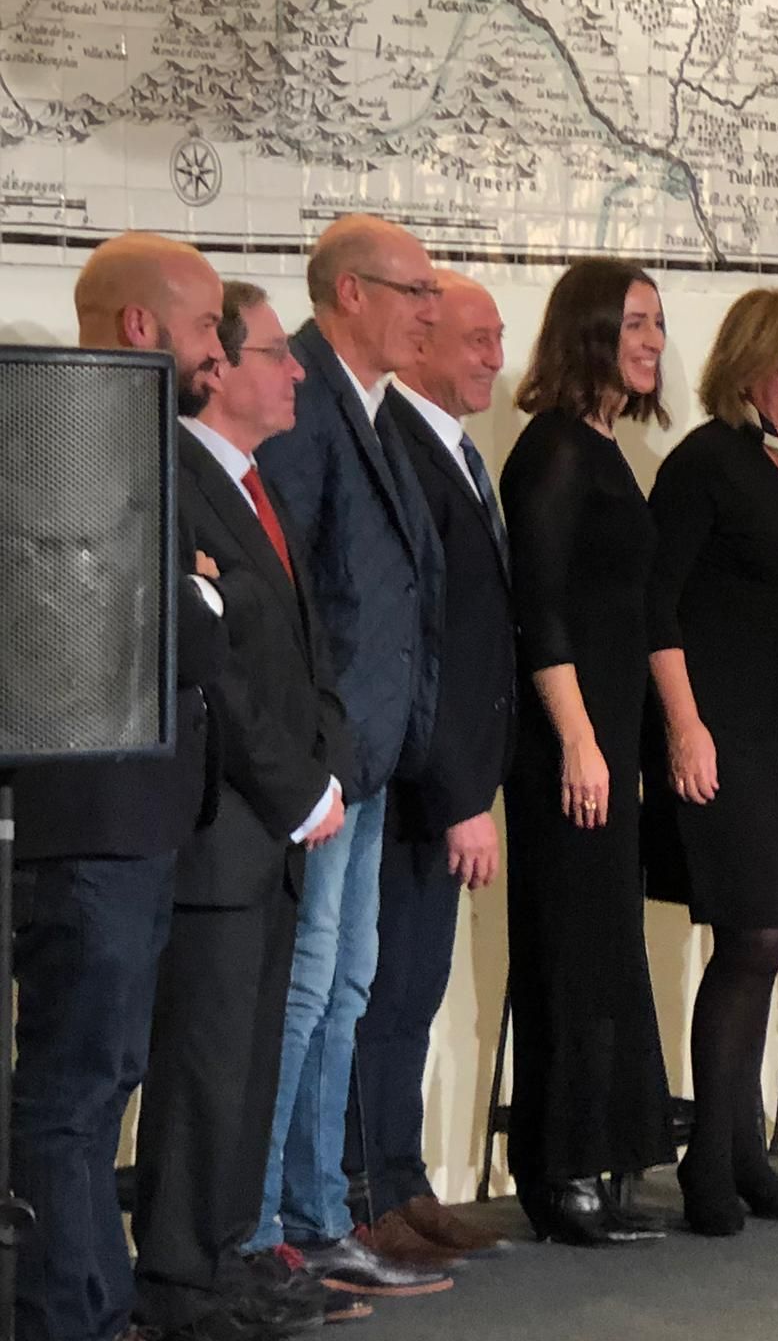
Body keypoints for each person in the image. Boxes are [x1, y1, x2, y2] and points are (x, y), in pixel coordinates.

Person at [11, 233, 225, 1341]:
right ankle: (70, 1314)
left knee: (97, 1084)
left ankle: (87, 1303)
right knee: (74, 1090)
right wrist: (195, 597)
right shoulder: (78, 449)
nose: (219, 358)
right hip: (86, 828)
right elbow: (171, 631)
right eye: (204, 331)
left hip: (122, 825)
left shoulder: (136, 447)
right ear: (141, 327)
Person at [132, 283, 353, 1340]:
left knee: (251, 1061)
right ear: (218, 371)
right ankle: (177, 1276)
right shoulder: (176, 480)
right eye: (275, 353)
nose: (296, 369)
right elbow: (214, 671)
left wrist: (329, 768)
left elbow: (300, 656)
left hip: (278, 832)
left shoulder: (258, 486)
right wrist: (295, 783)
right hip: (222, 827)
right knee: (204, 1068)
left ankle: (222, 1254)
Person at [247, 215, 449, 1298]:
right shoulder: (304, 396)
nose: (431, 307)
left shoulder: (368, 407)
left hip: (371, 754)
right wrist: (318, 751)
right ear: (350, 294)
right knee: (308, 983)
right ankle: (274, 1225)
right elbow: (284, 589)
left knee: (346, 982)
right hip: (326, 757)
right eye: (413, 289)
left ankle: (321, 1213)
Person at [645, 288, 778, 1236]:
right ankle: (707, 1166)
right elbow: (659, 611)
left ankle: (742, 1152)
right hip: (719, 732)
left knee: (760, 945)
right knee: (751, 942)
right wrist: (685, 728)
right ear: (747, 363)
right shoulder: (704, 465)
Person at [499, 257, 674, 1244]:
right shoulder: (555, 450)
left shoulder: (606, 446)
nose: (651, 342)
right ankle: (557, 1166)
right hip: (569, 746)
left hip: (606, 743)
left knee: (605, 950)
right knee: (568, 951)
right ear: (587, 332)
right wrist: (575, 739)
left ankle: (603, 1155)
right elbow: (541, 608)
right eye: (633, 324)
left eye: (655, 325)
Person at [350, 274, 517, 1263]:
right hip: (414, 784)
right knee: (382, 994)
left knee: (412, 991)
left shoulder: (451, 449)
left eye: (498, 338)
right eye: (474, 338)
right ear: (416, 344)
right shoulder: (399, 448)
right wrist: (460, 794)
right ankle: (367, 1189)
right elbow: (425, 645)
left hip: (445, 781)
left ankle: (402, 1179)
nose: (494, 356)